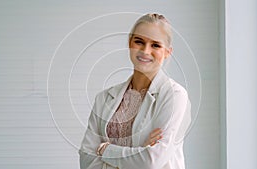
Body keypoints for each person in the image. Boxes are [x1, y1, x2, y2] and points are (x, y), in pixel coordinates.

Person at [79, 13, 191, 169]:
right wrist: (137, 154)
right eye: (139, 42)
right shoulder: (104, 98)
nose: (145, 51)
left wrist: (105, 150)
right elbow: (86, 159)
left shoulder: (174, 95)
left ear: (167, 52)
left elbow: (151, 161)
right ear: (130, 43)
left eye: (155, 45)